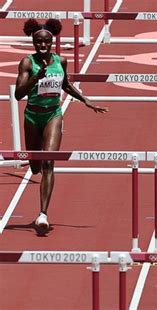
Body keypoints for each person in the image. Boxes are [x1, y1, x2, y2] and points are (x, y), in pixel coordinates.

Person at [15, 18, 108, 230]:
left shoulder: (61, 61)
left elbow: (65, 84)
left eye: (46, 42)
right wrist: (36, 78)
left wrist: (86, 100)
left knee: (48, 162)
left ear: (52, 41)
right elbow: (18, 94)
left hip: (53, 115)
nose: (43, 46)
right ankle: (35, 166)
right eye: (38, 42)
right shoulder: (27, 63)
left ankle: (42, 215)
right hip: (32, 116)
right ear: (33, 42)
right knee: (35, 167)